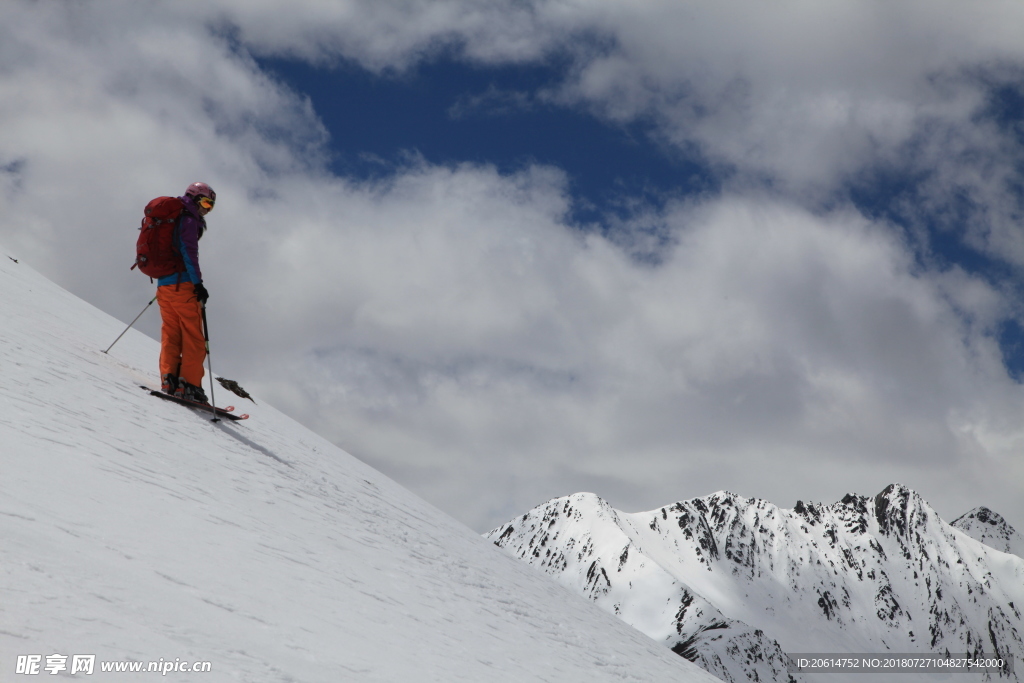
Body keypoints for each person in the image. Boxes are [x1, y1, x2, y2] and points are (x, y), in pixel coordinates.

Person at [157, 182, 215, 403]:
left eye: (211, 206)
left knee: (171, 332)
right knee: (193, 336)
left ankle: (169, 379)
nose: (207, 209)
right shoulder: (189, 219)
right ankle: (189, 385)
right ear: (195, 198)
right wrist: (197, 283)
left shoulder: (171, 217)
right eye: (206, 203)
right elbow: (189, 251)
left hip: (164, 286)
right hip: (183, 286)